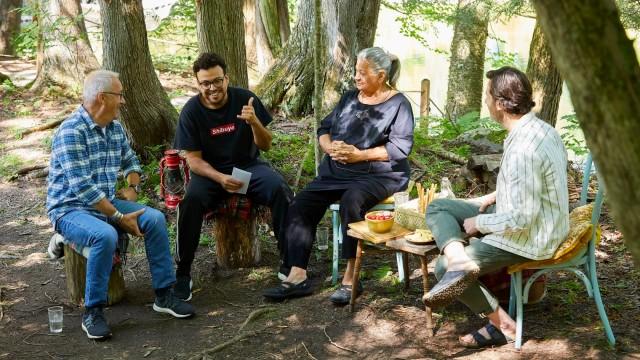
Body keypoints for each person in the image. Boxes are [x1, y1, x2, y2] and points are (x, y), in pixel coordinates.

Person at [423, 66, 569, 348]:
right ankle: (460, 259)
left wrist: (479, 224)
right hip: (534, 219)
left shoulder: (524, 150)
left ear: (501, 103)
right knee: (440, 207)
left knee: (442, 269)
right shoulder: (541, 129)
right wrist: (490, 197)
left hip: (534, 236)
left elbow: (523, 218)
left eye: (488, 96)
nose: (486, 101)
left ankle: (502, 325)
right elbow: (532, 186)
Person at [46, 70, 195, 340]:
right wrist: (116, 216)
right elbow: (83, 189)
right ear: (102, 97)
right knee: (105, 234)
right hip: (70, 209)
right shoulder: (71, 131)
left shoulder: (114, 128)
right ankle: (93, 311)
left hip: (105, 202)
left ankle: (164, 294)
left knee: (155, 219)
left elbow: (131, 162)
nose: (124, 101)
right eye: (120, 95)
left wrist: (133, 185)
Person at [262, 47, 414, 303]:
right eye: (356, 71)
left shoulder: (399, 104)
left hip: (379, 174)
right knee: (301, 204)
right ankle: (296, 274)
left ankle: (351, 277)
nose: (356, 77)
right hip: (337, 171)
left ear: (380, 75)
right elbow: (324, 128)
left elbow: (400, 148)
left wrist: (359, 155)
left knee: (351, 201)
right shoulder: (349, 98)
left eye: (362, 73)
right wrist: (329, 146)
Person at [173, 52, 294, 301]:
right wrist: (218, 178)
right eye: (205, 83)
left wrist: (254, 123)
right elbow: (193, 160)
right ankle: (183, 272)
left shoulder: (245, 100)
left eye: (217, 81)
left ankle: (290, 261)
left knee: (280, 189)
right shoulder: (191, 111)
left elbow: (266, 145)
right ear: (198, 84)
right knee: (191, 202)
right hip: (210, 173)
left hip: (248, 166)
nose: (212, 87)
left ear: (226, 78)